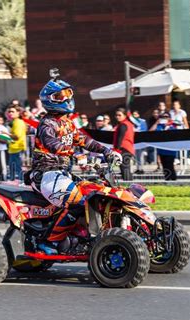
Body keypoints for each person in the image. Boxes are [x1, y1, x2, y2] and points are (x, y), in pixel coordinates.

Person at [29, 73, 120, 255]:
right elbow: (52, 145)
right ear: (49, 100)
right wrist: (75, 155)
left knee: (94, 194)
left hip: (61, 174)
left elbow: (84, 141)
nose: (66, 99)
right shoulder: (47, 124)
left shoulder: (68, 123)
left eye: (67, 94)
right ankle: (51, 243)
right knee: (77, 202)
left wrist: (107, 151)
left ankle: (85, 236)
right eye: (60, 96)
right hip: (45, 174)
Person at [149, 112, 178, 180]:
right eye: (163, 117)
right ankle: (167, 179)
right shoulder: (159, 126)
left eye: (166, 117)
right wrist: (156, 123)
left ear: (169, 118)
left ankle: (173, 179)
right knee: (164, 166)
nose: (165, 118)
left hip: (171, 150)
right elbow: (150, 132)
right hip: (161, 150)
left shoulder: (173, 126)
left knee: (170, 165)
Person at [113, 108, 135, 181]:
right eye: (116, 115)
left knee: (124, 168)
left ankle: (128, 184)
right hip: (128, 149)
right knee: (126, 168)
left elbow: (120, 138)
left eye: (119, 115)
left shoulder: (123, 125)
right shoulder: (128, 124)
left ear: (125, 116)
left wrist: (116, 150)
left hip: (124, 149)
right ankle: (128, 184)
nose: (117, 117)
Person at [8, 107, 27, 180]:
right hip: (14, 149)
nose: (10, 113)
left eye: (13, 111)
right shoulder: (15, 122)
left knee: (19, 170)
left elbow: (16, 136)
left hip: (18, 149)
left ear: (18, 113)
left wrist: (5, 134)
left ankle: (21, 185)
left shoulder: (18, 122)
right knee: (13, 170)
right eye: (9, 111)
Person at [132, 110, 148, 174]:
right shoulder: (132, 122)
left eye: (135, 114)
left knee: (141, 155)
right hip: (134, 141)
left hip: (141, 141)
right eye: (133, 115)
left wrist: (136, 131)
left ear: (138, 115)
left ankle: (141, 169)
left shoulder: (142, 121)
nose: (134, 116)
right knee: (136, 156)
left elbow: (144, 130)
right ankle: (138, 168)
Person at [0, 113, 9, 181]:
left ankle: (4, 178)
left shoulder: (4, 129)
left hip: (2, 149)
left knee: (3, 165)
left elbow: (6, 140)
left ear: (2, 121)